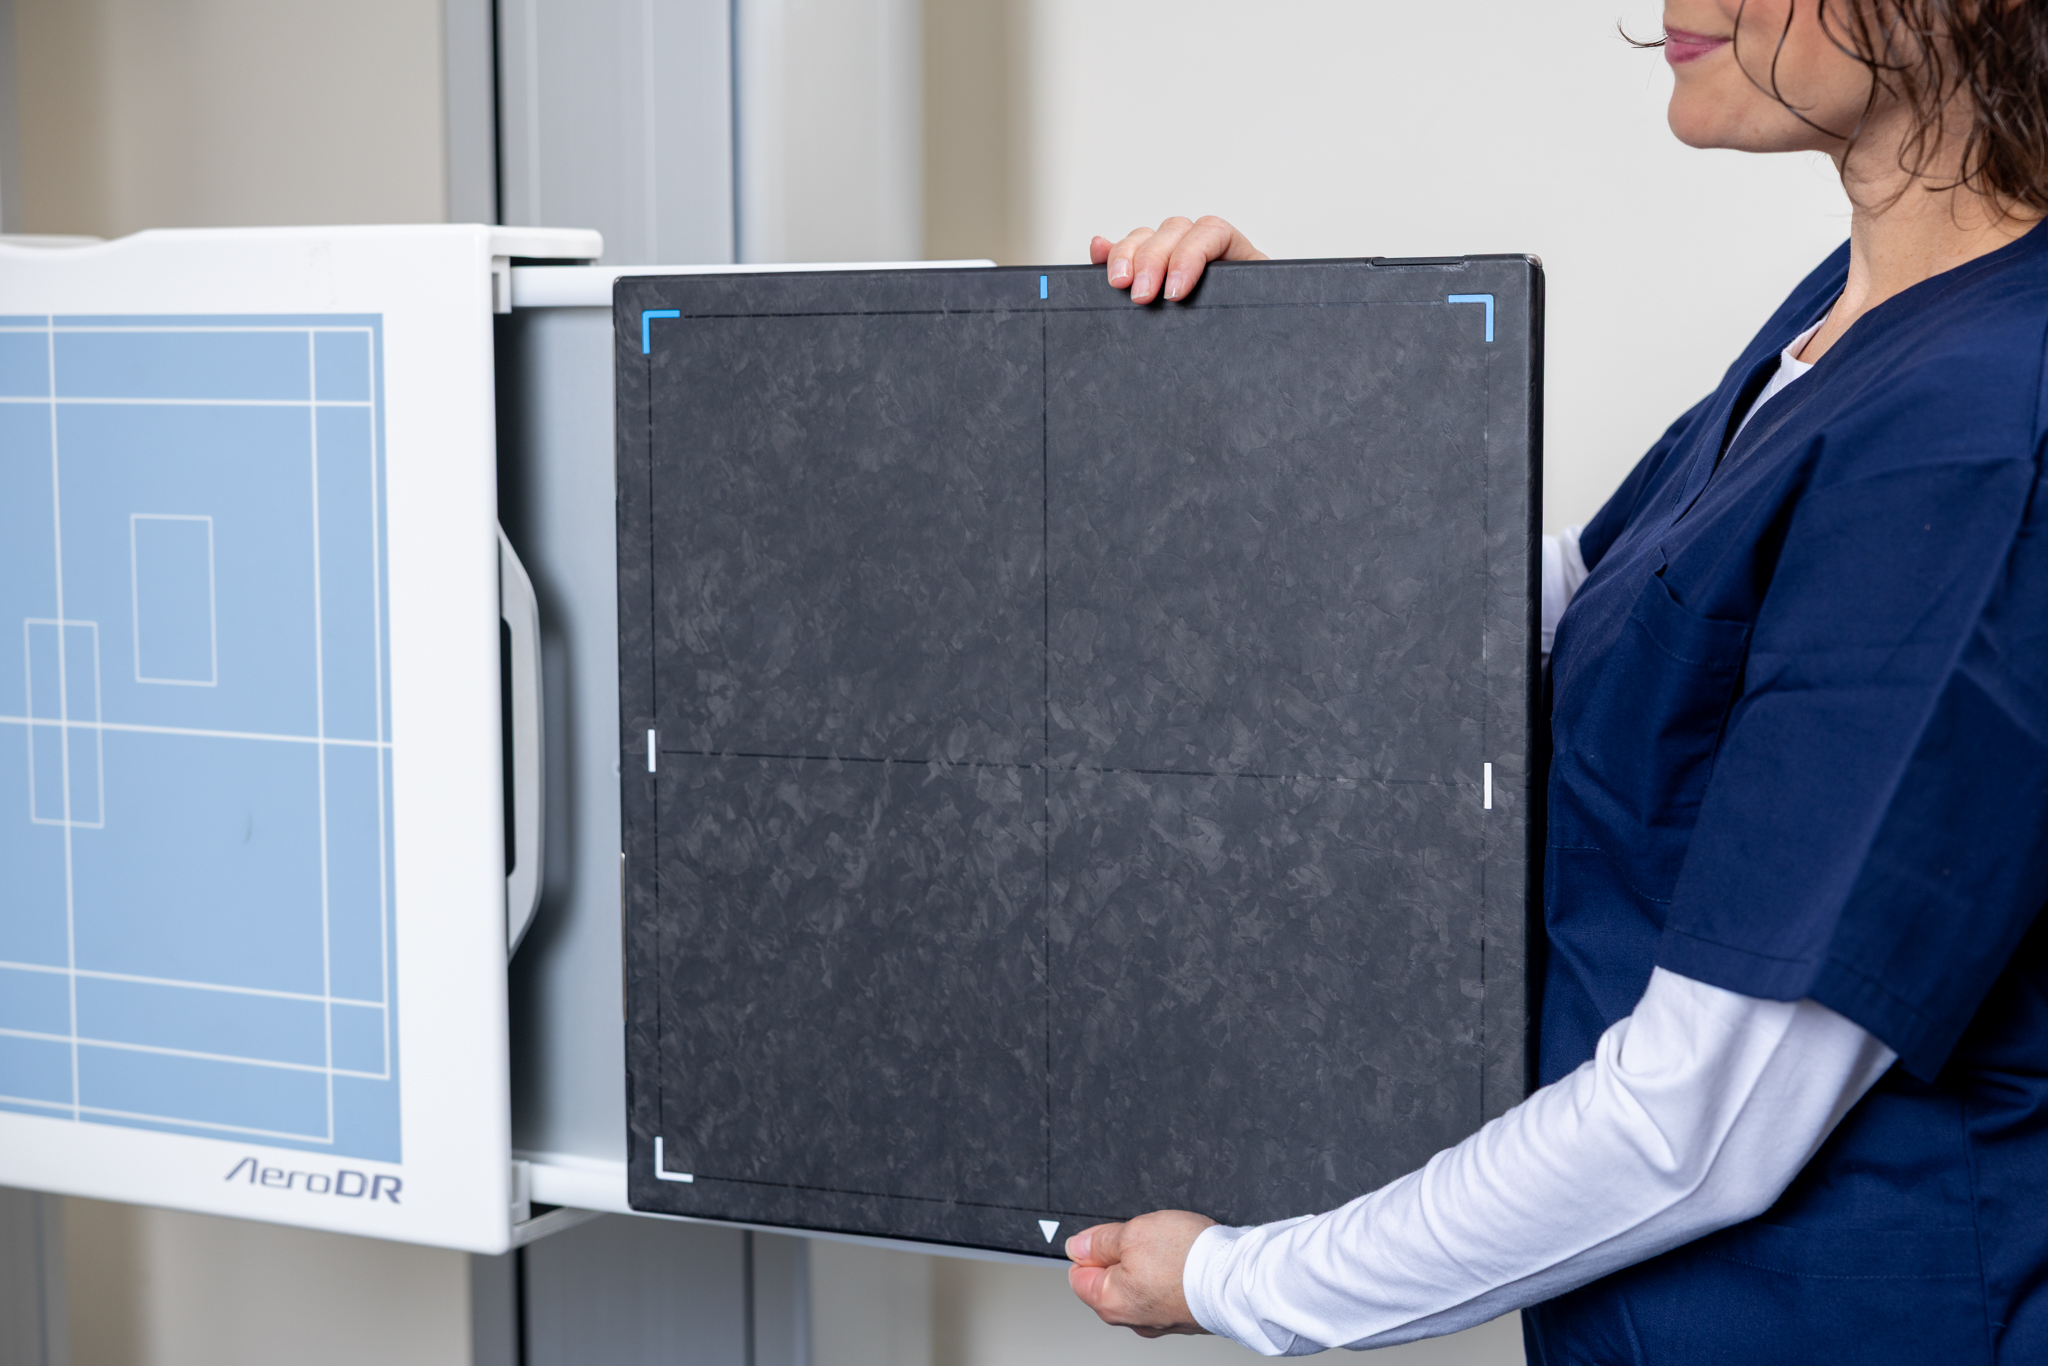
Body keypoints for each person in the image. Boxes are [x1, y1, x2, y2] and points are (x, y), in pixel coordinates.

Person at [1061, 2, 2048, 1360]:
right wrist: (1275, 396)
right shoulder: (1854, 311)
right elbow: (1601, 620)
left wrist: (1243, 1280)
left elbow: (1700, 1126)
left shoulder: (1978, 427)